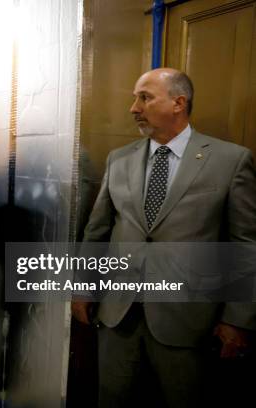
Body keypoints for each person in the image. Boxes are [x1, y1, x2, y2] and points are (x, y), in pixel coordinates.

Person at [73, 68, 256, 407]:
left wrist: (238, 319)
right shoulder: (120, 159)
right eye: (135, 98)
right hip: (118, 316)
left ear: (178, 102)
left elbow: (245, 245)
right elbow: (97, 231)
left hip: (188, 322)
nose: (134, 108)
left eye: (145, 97)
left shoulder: (231, 161)